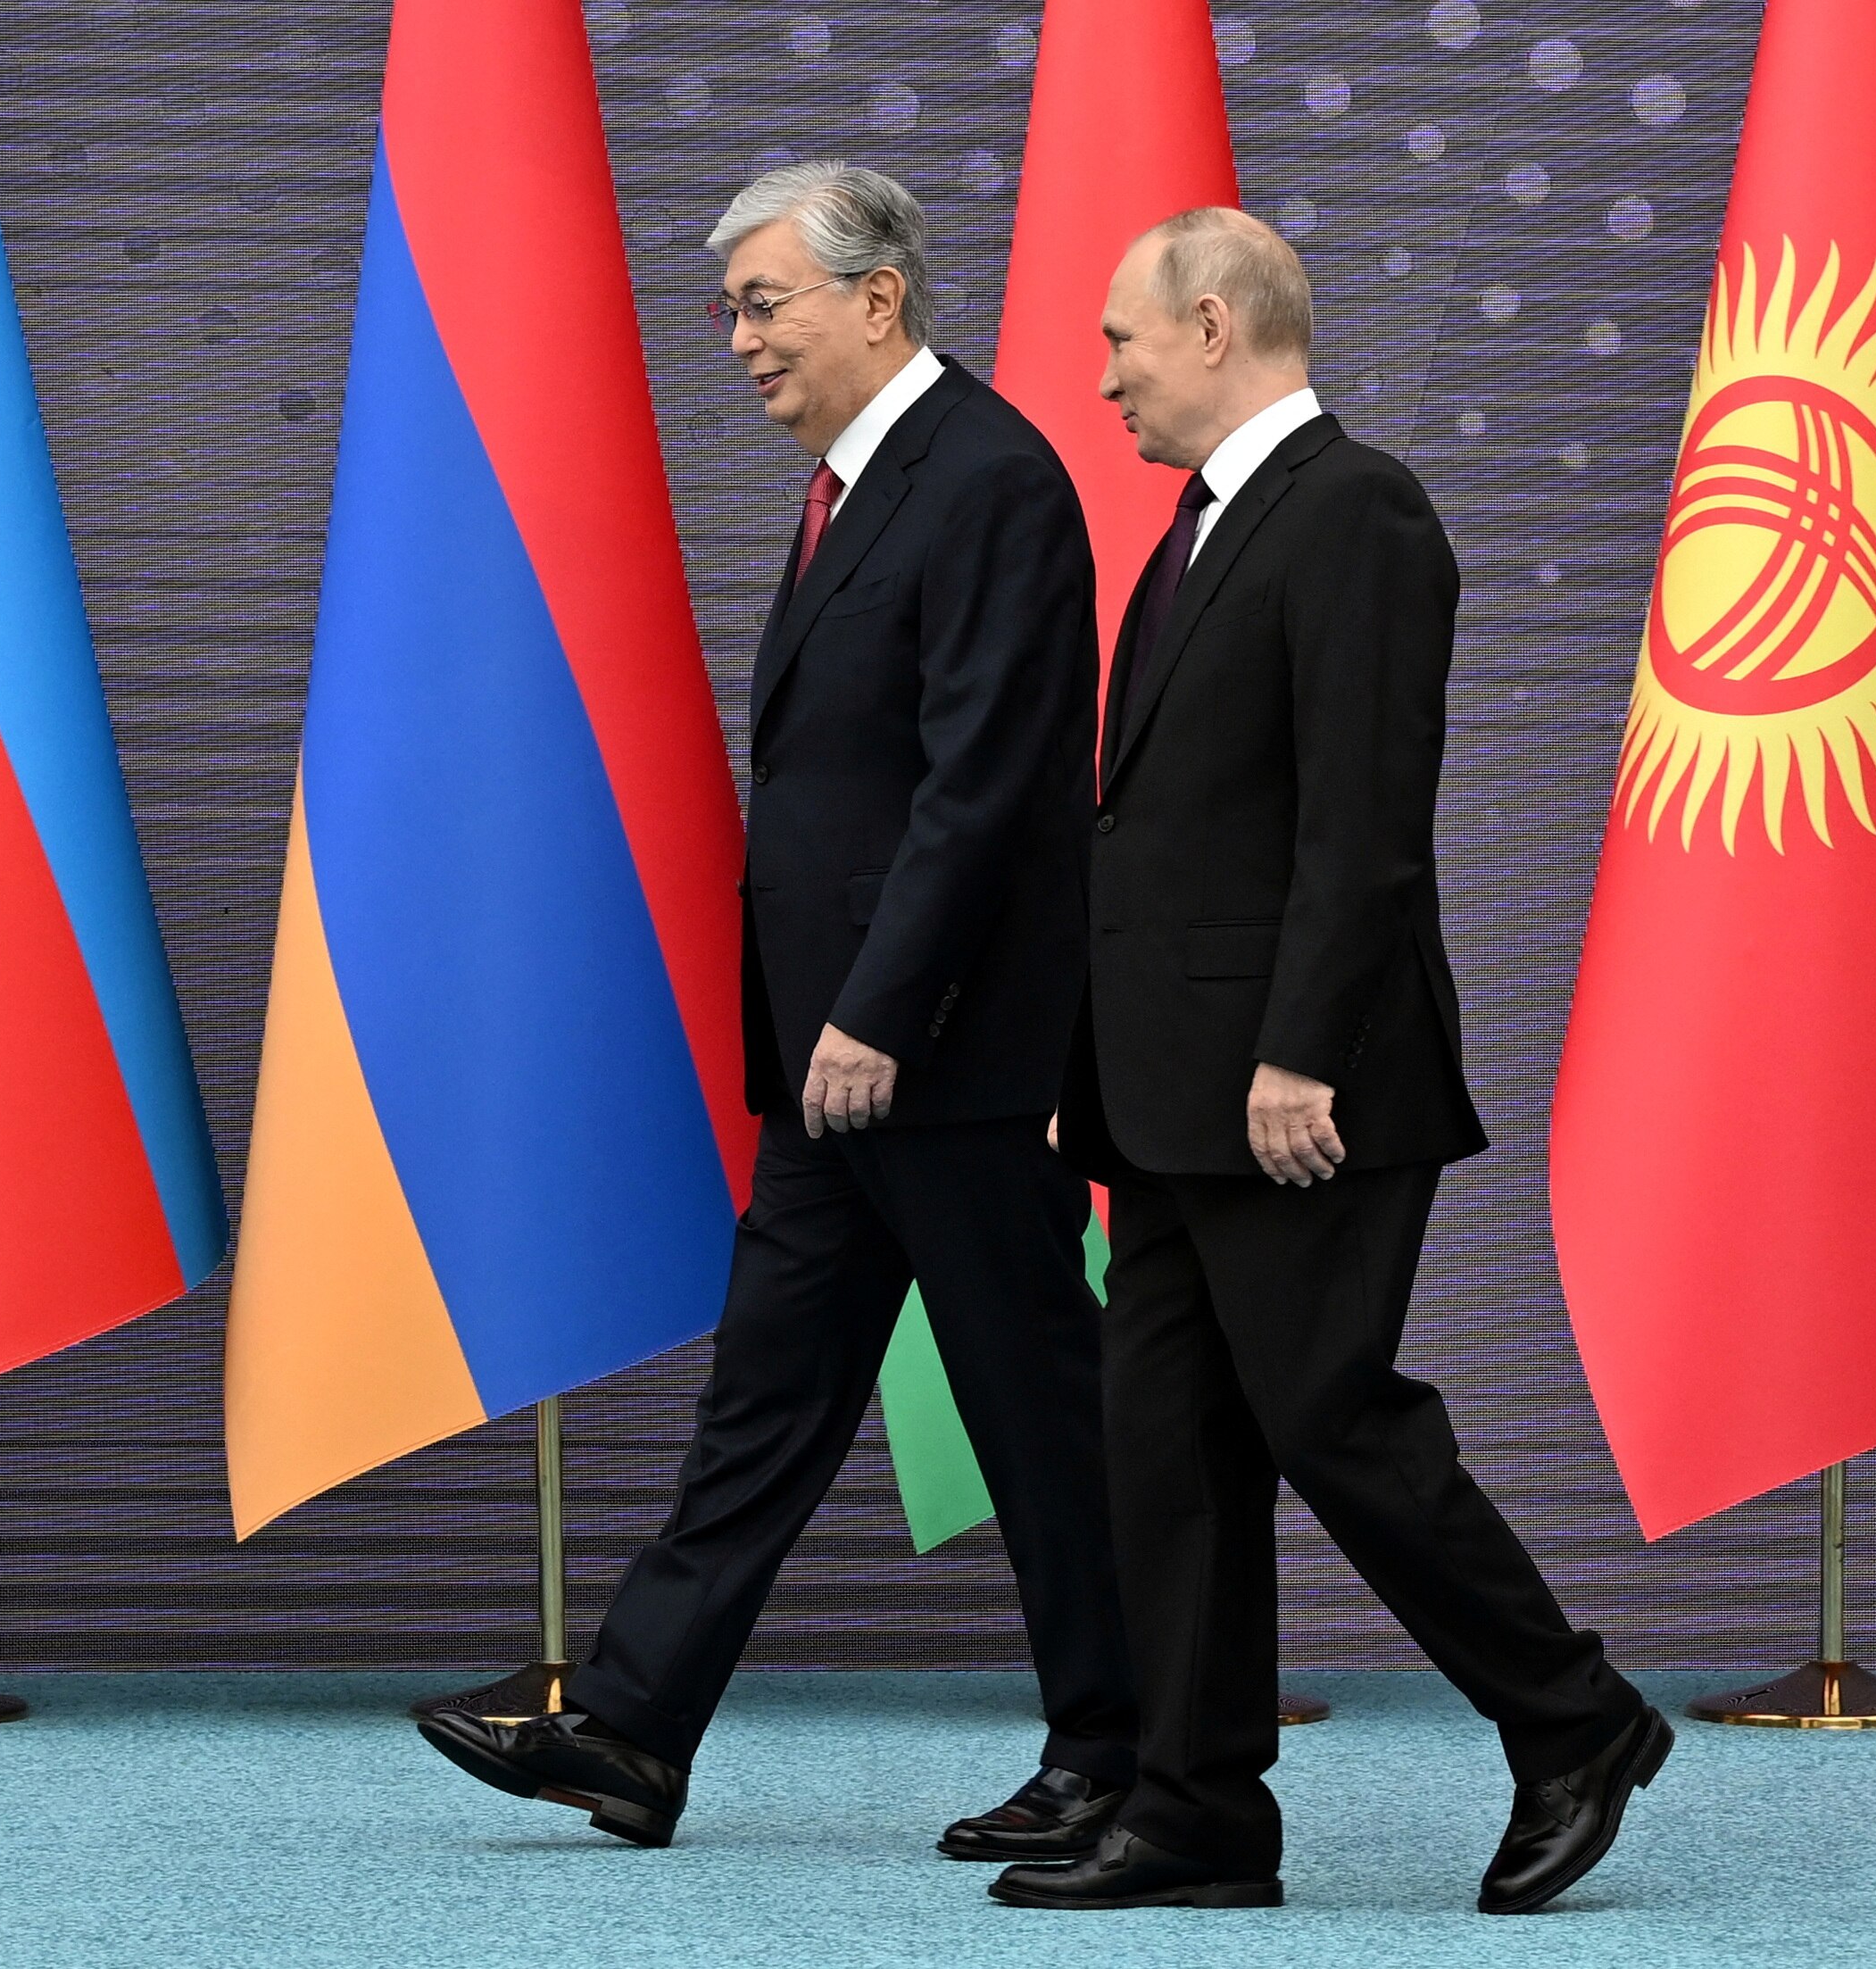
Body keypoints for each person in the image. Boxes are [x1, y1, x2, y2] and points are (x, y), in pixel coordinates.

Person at [416, 161, 1135, 1859]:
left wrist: (882, 1009)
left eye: (763, 303)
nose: (736, 341)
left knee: (1039, 1418)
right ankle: (631, 1734)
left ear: (876, 299)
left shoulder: (989, 478)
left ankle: (1120, 1751)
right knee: (761, 1406)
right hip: (832, 1060)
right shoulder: (853, 485)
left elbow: (983, 787)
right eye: (727, 309)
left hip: (936, 1053)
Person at [996, 207, 1672, 1915]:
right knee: (1168, 1446)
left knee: (1329, 1418)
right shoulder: (1196, 528)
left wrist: (1298, 1052)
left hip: (1299, 1091)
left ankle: (1573, 1717)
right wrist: (1093, 1066)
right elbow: (1150, 833)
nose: (1103, 379)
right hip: (1159, 1100)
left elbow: (1362, 825)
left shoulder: (1355, 511)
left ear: (1212, 326)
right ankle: (1199, 1805)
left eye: (1121, 344)